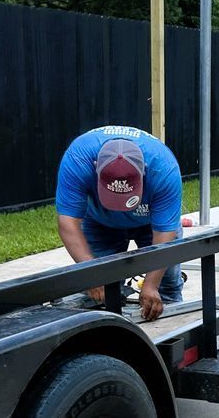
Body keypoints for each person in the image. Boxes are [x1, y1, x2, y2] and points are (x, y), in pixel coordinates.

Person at [56, 125, 184, 320]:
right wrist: (91, 271)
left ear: (144, 171)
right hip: (100, 223)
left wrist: (151, 285)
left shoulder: (164, 168)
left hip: (151, 224)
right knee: (100, 292)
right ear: (95, 166)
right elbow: (68, 223)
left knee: (166, 288)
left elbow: (165, 234)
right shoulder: (78, 159)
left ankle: (171, 328)